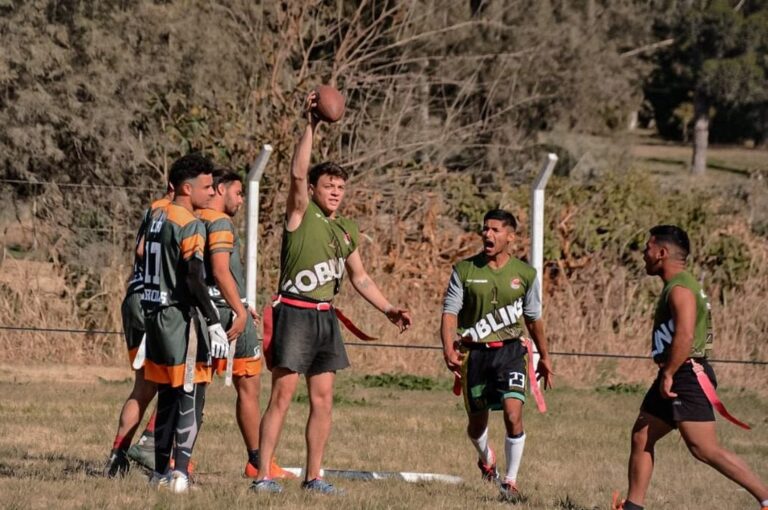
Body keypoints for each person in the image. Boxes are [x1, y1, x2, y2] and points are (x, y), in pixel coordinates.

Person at [250, 92, 412, 495]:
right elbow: (295, 174)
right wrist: (311, 125)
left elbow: (360, 278)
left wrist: (389, 308)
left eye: (341, 186)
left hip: (325, 317)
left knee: (323, 401)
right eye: (329, 185)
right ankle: (263, 474)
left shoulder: (347, 230)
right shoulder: (301, 214)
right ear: (314, 188)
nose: (336, 191)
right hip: (293, 312)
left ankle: (314, 476)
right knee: (282, 396)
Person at [613, 225, 768, 510]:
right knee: (642, 435)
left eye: (648, 248)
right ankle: (633, 506)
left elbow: (684, 335)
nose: (644, 254)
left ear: (661, 253)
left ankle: (766, 498)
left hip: (685, 373)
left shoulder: (681, 287)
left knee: (704, 449)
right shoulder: (679, 284)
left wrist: (669, 374)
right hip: (677, 370)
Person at [441, 209, 553, 502]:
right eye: (485, 229)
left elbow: (534, 319)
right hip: (475, 354)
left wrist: (545, 356)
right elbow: (450, 313)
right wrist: (448, 346)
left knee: (513, 414)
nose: (487, 235)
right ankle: (486, 458)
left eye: (495, 230)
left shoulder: (525, 274)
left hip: (512, 352)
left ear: (510, 236)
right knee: (476, 425)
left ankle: (511, 481)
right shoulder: (464, 270)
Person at [141, 153, 230, 493]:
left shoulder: (155, 212)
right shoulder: (189, 222)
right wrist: (212, 321)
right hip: (178, 317)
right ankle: (180, 474)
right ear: (186, 188)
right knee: (189, 393)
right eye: (207, 187)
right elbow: (194, 278)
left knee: (165, 395)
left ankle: (160, 471)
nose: (212, 192)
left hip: (153, 312)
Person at [197, 168, 293, 480]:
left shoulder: (192, 219)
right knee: (245, 387)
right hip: (225, 316)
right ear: (220, 190)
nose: (241, 199)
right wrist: (239, 309)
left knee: (189, 387)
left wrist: (242, 303)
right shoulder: (219, 222)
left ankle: (172, 453)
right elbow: (221, 271)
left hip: (208, 310)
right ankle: (255, 460)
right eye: (238, 193)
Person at [103, 185, 172, 477]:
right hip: (154, 302)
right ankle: (149, 444)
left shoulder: (153, 210)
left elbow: (141, 249)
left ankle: (117, 456)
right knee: (177, 384)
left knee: (143, 386)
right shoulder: (172, 212)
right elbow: (145, 250)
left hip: (134, 297)